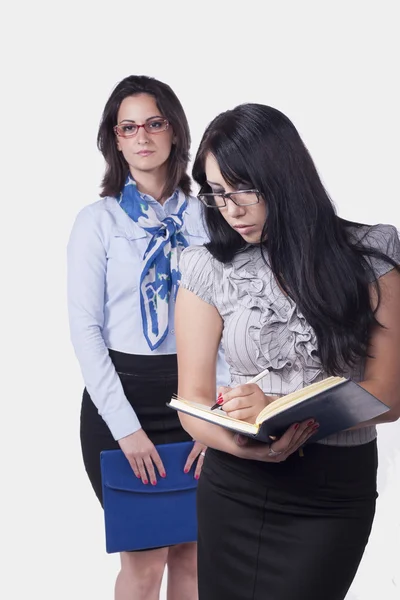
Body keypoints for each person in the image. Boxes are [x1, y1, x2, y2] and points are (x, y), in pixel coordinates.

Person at [174, 103, 400, 600]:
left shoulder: (369, 254)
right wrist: (244, 444)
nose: (230, 210)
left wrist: (275, 409)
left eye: (241, 191)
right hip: (234, 485)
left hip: (331, 495)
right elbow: (191, 402)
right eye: (216, 194)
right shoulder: (205, 268)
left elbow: (388, 396)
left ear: (282, 176)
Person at [67, 75, 228, 600]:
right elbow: (86, 330)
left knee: (194, 558)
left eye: (154, 123)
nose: (143, 136)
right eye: (128, 126)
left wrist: (214, 418)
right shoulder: (98, 222)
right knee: (144, 561)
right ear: (115, 139)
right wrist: (126, 429)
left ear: (175, 132)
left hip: (196, 394)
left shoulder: (209, 217)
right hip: (122, 400)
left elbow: (227, 318)